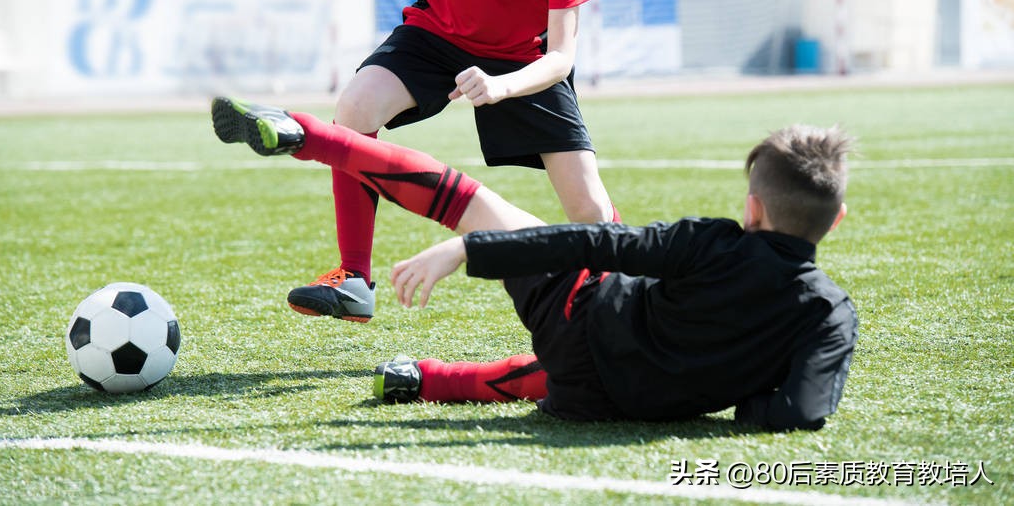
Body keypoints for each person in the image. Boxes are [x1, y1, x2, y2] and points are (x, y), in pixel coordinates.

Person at [211, 97, 858, 431]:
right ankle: (424, 380)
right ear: (835, 220)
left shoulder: (713, 241)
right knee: (587, 369)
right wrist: (740, 395)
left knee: (469, 200)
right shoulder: (829, 313)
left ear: (751, 208)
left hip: (578, 322)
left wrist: (468, 248)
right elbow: (801, 412)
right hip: (591, 400)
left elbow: (591, 243)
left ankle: (307, 133)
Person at [285, 0, 619, 323]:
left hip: (523, 61)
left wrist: (501, 85)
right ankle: (353, 278)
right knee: (354, 108)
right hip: (437, 34)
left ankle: (626, 296)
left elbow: (560, 59)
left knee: (589, 209)